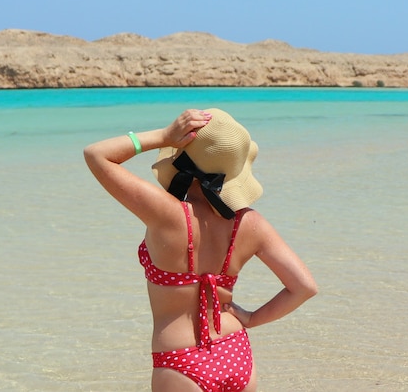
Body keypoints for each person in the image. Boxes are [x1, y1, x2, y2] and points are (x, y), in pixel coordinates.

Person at [84, 108, 317, 392]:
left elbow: (97, 155)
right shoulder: (251, 223)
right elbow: (304, 287)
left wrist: (163, 135)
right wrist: (252, 319)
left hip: (180, 360)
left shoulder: (166, 214)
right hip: (235, 351)